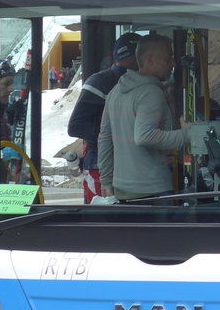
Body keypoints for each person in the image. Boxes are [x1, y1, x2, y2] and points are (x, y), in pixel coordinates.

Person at [97, 33, 189, 201]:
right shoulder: (151, 93)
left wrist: (106, 182)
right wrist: (186, 135)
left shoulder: (115, 92)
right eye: (168, 58)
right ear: (150, 60)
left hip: (122, 189)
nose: (173, 63)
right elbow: (145, 136)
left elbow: (105, 138)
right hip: (152, 190)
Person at [67, 32, 140, 203]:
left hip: (126, 164)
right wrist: (118, 137)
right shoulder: (101, 81)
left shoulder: (136, 81)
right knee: (104, 221)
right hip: (101, 165)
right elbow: (76, 126)